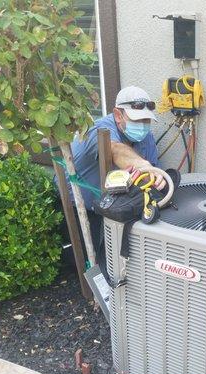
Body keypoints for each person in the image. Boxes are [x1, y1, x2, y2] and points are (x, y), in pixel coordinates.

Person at [60, 85, 166, 269]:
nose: (142, 126)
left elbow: (154, 171)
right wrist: (143, 166)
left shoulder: (145, 137)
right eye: (137, 119)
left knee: (116, 255)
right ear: (118, 115)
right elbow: (114, 149)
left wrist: (155, 177)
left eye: (146, 121)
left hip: (113, 202)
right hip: (78, 204)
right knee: (89, 260)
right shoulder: (98, 130)